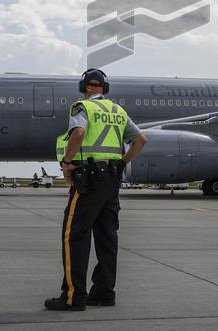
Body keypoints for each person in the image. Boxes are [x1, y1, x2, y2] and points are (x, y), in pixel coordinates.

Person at [45, 68, 148, 312]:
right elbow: (141, 140)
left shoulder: (82, 107)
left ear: (84, 88)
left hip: (90, 179)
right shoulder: (118, 111)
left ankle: (73, 296)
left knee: (75, 234)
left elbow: (78, 133)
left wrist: (67, 163)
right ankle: (104, 292)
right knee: (107, 237)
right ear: (105, 88)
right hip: (112, 179)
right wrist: (122, 163)